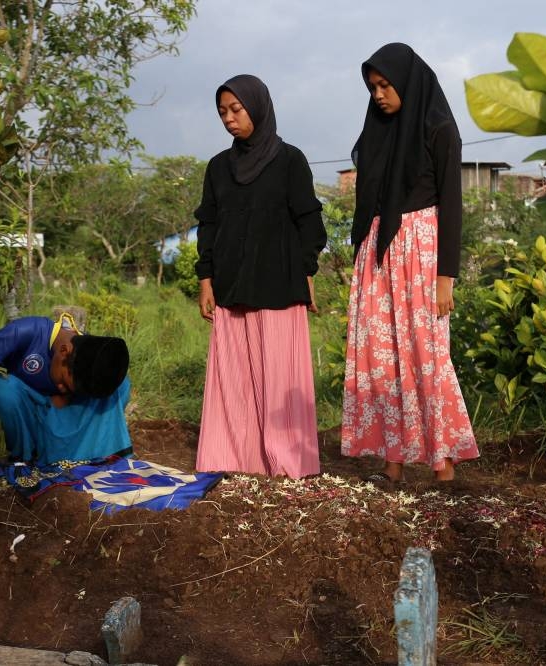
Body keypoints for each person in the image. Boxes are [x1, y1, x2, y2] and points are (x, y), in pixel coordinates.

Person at [341, 43, 479, 486]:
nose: (379, 94)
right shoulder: (377, 133)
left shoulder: (439, 129)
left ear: (407, 80)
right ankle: (392, 463)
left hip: (421, 249)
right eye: (372, 87)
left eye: (385, 85)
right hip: (377, 250)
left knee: (427, 355)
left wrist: (446, 277)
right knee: (380, 360)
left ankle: (443, 465)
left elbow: (452, 205)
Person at [194, 74, 327, 479]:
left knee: (280, 379)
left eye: (236, 109)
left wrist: (306, 270)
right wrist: (205, 280)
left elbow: (309, 223)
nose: (229, 119)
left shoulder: (290, 161)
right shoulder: (218, 168)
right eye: (222, 112)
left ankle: (287, 464)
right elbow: (208, 226)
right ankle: (233, 458)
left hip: (279, 287)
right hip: (231, 288)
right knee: (234, 382)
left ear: (259, 106)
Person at [0, 312, 133, 468]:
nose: (63, 389)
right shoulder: (25, 333)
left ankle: (77, 456)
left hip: (56, 419)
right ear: (64, 352)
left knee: (120, 385)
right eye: (64, 382)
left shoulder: (89, 362)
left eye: (71, 390)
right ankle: (22, 457)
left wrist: (61, 399)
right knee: (3, 391)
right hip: (21, 417)